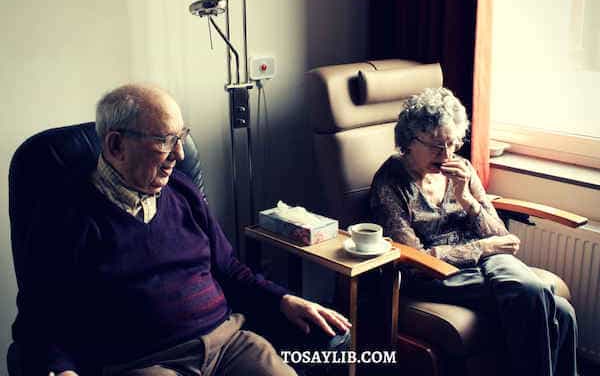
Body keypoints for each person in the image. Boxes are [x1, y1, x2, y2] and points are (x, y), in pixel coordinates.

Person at [35, 84, 350, 376]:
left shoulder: (183, 192)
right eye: (164, 141)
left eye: (180, 137)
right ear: (117, 145)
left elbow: (229, 268)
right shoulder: (68, 215)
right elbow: (43, 316)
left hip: (228, 344)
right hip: (146, 362)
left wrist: (283, 299)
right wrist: (61, 369)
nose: (179, 154)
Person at [369, 87, 577, 376]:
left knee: (551, 304)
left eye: (452, 143)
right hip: (438, 273)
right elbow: (414, 260)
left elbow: (499, 233)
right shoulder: (390, 182)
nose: (446, 154)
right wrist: (482, 248)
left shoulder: (462, 168)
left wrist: (467, 200)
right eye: (435, 146)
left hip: (487, 262)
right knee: (550, 304)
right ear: (408, 140)